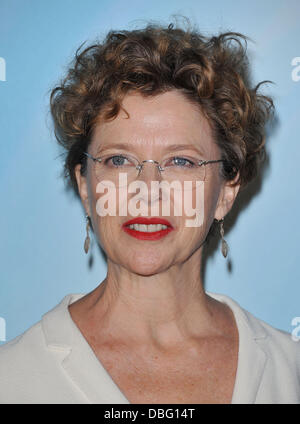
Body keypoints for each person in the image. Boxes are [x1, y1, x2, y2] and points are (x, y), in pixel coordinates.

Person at [0, 20, 299, 404]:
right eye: (120, 160)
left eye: (180, 161)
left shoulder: (289, 369)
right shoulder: (11, 379)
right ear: (86, 185)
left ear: (226, 190)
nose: (147, 191)